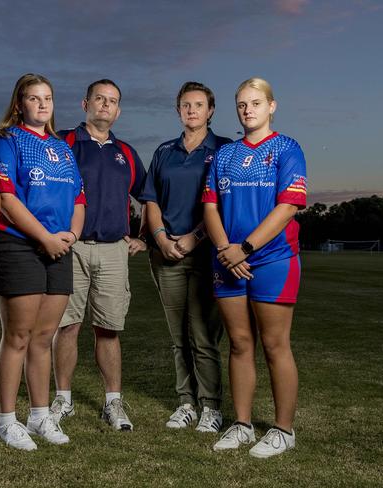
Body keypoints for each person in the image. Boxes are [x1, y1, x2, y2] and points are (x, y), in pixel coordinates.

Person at [203, 77, 307, 458]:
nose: (248, 110)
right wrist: (225, 249)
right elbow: (211, 206)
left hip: (272, 258)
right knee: (239, 343)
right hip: (227, 259)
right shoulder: (225, 155)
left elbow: (288, 206)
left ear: (271, 106)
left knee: (274, 344)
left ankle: (283, 430)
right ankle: (243, 424)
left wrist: (245, 248)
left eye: (256, 103)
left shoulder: (286, 148)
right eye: (242, 104)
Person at [0, 73, 86, 450]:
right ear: (19, 104)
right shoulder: (6, 141)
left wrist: (70, 237)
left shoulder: (62, 148)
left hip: (60, 247)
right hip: (18, 245)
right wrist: (43, 237)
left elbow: (79, 199)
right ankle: (6, 422)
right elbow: (7, 200)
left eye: (47, 98)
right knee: (18, 336)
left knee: (44, 338)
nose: (42, 105)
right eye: (34, 98)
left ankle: (40, 415)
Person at [51, 79, 147, 432]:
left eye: (112, 101)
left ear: (118, 110)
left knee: (108, 329)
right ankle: (63, 398)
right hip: (71, 247)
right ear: (85, 103)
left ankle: (113, 402)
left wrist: (144, 237)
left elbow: (147, 196)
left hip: (112, 250)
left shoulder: (127, 153)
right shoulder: (65, 143)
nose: (105, 105)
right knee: (67, 326)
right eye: (99, 99)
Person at [140, 81, 230, 433]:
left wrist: (195, 238)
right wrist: (161, 239)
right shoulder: (164, 151)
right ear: (178, 110)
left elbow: (224, 203)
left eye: (198, 105)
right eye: (185, 105)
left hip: (207, 254)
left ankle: (211, 407)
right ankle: (186, 403)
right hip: (167, 255)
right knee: (178, 335)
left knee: (203, 334)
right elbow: (150, 200)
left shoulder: (224, 149)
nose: (191, 110)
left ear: (210, 110)